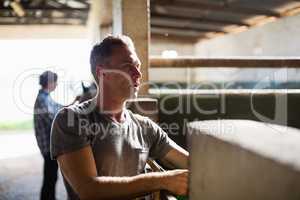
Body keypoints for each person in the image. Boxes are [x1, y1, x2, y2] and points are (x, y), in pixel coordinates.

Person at [50, 35, 189, 200]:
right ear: (103, 73)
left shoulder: (145, 127)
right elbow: (89, 190)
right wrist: (163, 180)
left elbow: (189, 162)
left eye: (138, 66)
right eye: (128, 66)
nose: (138, 74)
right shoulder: (71, 120)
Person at [34, 70, 63, 200]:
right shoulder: (42, 100)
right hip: (48, 147)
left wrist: (72, 104)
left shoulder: (46, 97)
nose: (56, 84)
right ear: (49, 83)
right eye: (55, 82)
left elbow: (58, 107)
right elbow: (52, 120)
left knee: (51, 177)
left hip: (49, 146)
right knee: (50, 178)